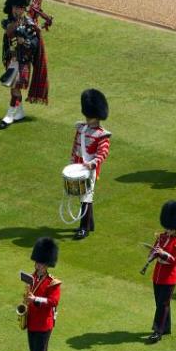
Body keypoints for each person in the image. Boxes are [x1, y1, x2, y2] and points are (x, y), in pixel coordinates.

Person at [0, 0, 48, 129]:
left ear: (23, 8)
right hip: (11, 59)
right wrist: (18, 26)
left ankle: (9, 115)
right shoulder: (9, 22)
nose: (16, 10)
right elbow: (8, 30)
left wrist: (24, 41)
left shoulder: (30, 24)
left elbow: (33, 44)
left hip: (23, 61)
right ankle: (19, 112)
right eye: (15, 7)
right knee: (14, 87)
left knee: (15, 86)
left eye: (19, 8)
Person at [69, 88, 111, 239]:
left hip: (90, 170)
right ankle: (90, 224)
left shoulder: (102, 134)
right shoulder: (81, 128)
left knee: (86, 197)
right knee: (84, 196)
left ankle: (84, 228)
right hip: (79, 167)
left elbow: (103, 154)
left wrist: (92, 164)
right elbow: (75, 147)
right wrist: (72, 162)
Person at [22, 237, 61, 351]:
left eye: (41, 264)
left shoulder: (53, 283)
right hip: (32, 320)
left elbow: (53, 301)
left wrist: (35, 299)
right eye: (37, 263)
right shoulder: (32, 278)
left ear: (47, 265)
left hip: (44, 323)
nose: (38, 266)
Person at [147, 200, 176, 344]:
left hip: (169, 277)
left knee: (162, 304)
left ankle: (157, 331)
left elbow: (174, 261)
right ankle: (166, 327)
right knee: (161, 303)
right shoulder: (160, 237)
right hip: (157, 276)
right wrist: (153, 254)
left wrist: (162, 254)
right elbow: (153, 252)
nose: (168, 230)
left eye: (171, 228)